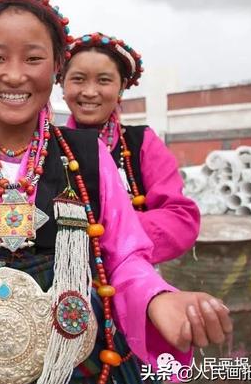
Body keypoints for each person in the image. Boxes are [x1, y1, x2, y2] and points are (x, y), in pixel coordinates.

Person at [0, 0, 232, 384]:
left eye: (33, 58)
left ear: (55, 67)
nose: (15, 75)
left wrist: (157, 299)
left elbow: (123, 258)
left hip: (72, 376)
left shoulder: (87, 157)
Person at [62, 32, 200, 263]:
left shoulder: (142, 143)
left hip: (132, 277)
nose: (89, 91)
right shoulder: (46, 145)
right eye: (78, 79)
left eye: (104, 80)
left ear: (122, 87)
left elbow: (180, 219)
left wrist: (106, 231)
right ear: (62, 83)